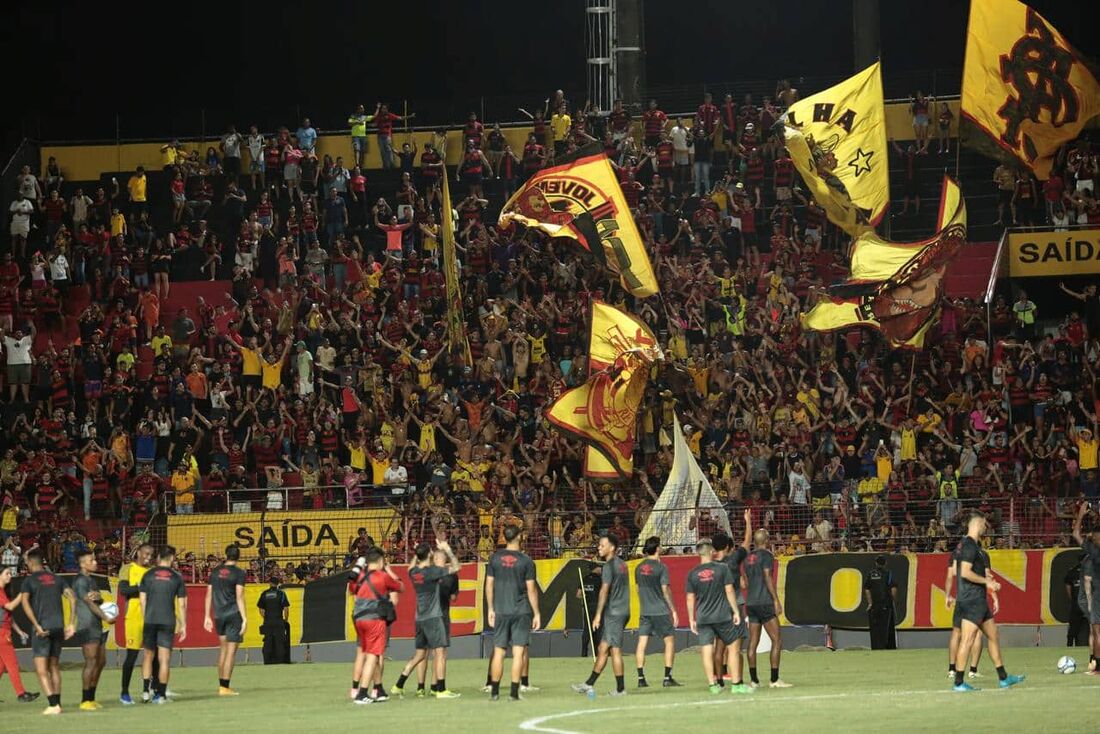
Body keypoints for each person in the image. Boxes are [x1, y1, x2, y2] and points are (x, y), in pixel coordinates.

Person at [951, 513, 1024, 692]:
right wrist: (987, 582)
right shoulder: (968, 546)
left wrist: (990, 589)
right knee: (967, 640)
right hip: (971, 599)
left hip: (977, 600)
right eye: (984, 524)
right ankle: (959, 683)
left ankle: (1003, 678)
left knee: (993, 635)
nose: (986, 527)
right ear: (977, 523)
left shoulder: (968, 546)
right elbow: (965, 573)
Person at [390, 539, 461, 698]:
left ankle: (399, 684)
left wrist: (416, 553)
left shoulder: (414, 573)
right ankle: (441, 690)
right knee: (440, 652)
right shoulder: (432, 572)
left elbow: (409, 567)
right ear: (429, 554)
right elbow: (456, 567)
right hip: (433, 617)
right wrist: (448, 549)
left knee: (420, 654)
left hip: (419, 618)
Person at [18, 548, 76, 714]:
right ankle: (58, 704)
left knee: (41, 669)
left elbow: (24, 603)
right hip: (58, 627)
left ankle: (52, 705)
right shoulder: (57, 579)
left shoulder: (29, 581)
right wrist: (70, 624)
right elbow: (72, 597)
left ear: (30, 563)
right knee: (54, 667)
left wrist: (36, 625)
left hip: (42, 628)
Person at [486, 525, 540, 701]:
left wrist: (490, 609)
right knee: (518, 653)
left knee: (499, 651)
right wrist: (537, 613)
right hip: (521, 611)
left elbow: (489, 585)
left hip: (501, 610)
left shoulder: (494, 558)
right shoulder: (526, 561)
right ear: (519, 537)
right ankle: (514, 692)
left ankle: (494, 692)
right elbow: (531, 589)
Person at [685, 539, 746, 695]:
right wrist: (736, 611)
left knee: (706, 650)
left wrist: (691, 619)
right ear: (711, 551)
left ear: (698, 553)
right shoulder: (722, 568)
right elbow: (730, 591)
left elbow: (690, 598)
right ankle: (736, 684)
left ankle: (712, 685)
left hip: (703, 617)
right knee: (733, 648)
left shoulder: (692, 573)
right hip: (722, 616)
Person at [571, 533, 629, 697]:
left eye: (602, 545)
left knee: (614, 650)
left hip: (615, 612)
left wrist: (597, 616)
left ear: (612, 548)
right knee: (603, 648)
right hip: (623, 610)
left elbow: (604, 591)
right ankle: (588, 683)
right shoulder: (623, 564)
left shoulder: (609, 567)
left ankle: (620, 689)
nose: (599, 547)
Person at [350, 548, 403, 704]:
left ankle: (359, 689)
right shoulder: (382, 577)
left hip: (359, 617)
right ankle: (367, 691)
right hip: (377, 618)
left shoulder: (360, 576)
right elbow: (397, 594)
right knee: (376, 655)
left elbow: (353, 594)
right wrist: (390, 572)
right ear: (380, 561)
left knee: (362, 654)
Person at [139, 545, 187, 704]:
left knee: (147, 656)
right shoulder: (177, 577)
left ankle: (146, 692)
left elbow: (142, 600)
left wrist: (146, 617)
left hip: (150, 620)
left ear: (158, 557)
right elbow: (181, 604)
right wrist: (184, 624)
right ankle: (161, 696)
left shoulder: (148, 574)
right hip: (167, 621)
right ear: (172, 558)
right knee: (164, 659)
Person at [743, 525, 790, 687]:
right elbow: (768, 577)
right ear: (767, 540)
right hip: (764, 602)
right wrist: (776, 599)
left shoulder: (747, 558)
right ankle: (774, 679)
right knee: (777, 640)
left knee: (752, 643)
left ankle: (754, 680)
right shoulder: (767, 555)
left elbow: (746, 583)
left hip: (751, 602)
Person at [633, 535, 681, 688]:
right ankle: (667, 677)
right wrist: (673, 610)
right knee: (669, 641)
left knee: (642, 643)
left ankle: (641, 678)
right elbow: (665, 589)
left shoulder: (638, 567)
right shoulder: (661, 567)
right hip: (659, 610)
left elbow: (638, 589)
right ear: (657, 548)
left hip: (645, 610)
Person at [712, 511, 752, 688]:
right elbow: (747, 542)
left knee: (719, 646)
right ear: (728, 547)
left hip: (718, 608)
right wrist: (748, 522)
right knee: (736, 648)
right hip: (735, 606)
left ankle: (719, 681)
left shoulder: (710, 566)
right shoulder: (733, 560)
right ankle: (739, 681)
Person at [72, 548, 114, 710]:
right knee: (91, 662)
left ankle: (92, 697)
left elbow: (96, 600)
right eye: (92, 560)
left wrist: (100, 598)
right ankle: (85, 700)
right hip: (87, 625)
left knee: (101, 661)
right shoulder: (81, 581)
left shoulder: (91, 580)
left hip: (97, 625)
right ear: (83, 564)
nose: (95, 562)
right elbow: (88, 603)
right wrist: (106, 617)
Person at [204, 544, 248, 695]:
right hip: (233, 614)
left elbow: (208, 594)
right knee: (231, 651)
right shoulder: (239, 573)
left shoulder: (215, 572)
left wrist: (206, 616)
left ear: (226, 555)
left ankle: (221, 685)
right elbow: (239, 596)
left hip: (219, 615)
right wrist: (244, 618)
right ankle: (225, 687)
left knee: (223, 650)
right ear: (238, 556)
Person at [118, 542, 155, 704]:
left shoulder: (152, 572)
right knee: (131, 656)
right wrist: (142, 586)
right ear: (139, 552)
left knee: (153, 656)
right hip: (133, 618)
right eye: (146, 553)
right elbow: (124, 590)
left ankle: (151, 689)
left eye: (150, 555)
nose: (148, 557)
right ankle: (124, 692)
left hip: (150, 617)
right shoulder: (127, 568)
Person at [945, 537, 984, 679]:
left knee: (956, 633)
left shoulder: (956, 554)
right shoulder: (981, 554)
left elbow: (950, 576)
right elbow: (987, 575)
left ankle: (951, 669)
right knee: (977, 634)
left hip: (961, 598)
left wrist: (948, 595)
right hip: (975, 598)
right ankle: (973, 670)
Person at [0, 565, 40, 703]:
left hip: (3, 632)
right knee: (12, 665)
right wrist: (23, 594)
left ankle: (21, 693)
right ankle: (21, 694)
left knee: (2, 666)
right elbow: (10, 607)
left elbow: (7, 616)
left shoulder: (3, 592)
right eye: (7, 573)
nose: (10, 576)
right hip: (2, 634)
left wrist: (19, 631)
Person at [1072, 504, 1100, 674]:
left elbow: (1075, 534)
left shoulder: (1094, 553)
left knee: (1097, 631)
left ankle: (1097, 667)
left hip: (1099, 595)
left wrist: (1081, 514)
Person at [863, 555, 897, 650]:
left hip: (874, 606)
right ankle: (888, 647)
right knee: (887, 627)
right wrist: (892, 601)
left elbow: (867, 589)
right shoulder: (888, 573)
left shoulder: (871, 574)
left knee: (876, 627)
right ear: (885, 563)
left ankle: (877, 647)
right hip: (886, 604)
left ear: (876, 563)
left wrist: (870, 603)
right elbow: (893, 588)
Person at [257, 575, 290, 664]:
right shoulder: (281, 593)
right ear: (278, 583)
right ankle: (280, 661)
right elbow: (286, 608)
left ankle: (267, 661)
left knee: (267, 641)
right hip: (279, 620)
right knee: (279, 642)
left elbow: (261, 609)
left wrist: (265, 617)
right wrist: (285, 620)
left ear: (270, 583)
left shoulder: (264, 594)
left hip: (268, 621)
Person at [578, 562, 602, 658]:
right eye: (599, 568)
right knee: (597, 630)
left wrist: (585, 595)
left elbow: (578, 595)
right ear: (595, 569)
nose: (600, 569)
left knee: (587, 629)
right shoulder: (599, 580)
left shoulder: (584, 579)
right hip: (597, 607)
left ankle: (584, 653)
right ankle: (597, 653)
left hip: (587, 607)